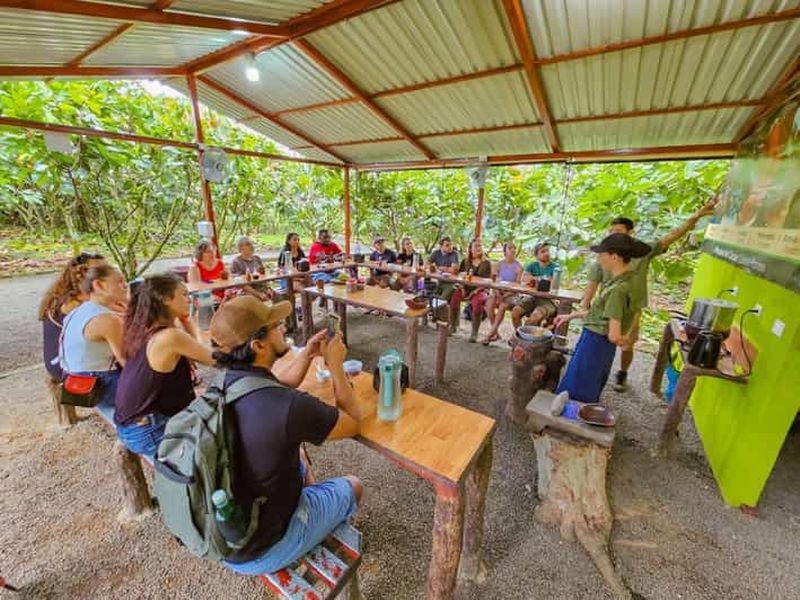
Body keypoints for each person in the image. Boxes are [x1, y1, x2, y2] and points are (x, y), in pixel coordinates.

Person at [208, 296, 362, 575]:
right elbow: (353, 423)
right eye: (276, 325)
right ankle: (315, 535)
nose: (285, 329)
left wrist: (308, 354)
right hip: (265, 550)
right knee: (353, 485)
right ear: (258, 345)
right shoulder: (290, 407)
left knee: (299, 452)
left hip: (229, 534)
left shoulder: (223, 384)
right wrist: (336, 364)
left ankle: (311, 510)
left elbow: (277, 385)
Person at [581, 195, 719, 391]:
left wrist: (696, 217)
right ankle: (594, 378)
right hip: (608, 307)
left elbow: (672, 235)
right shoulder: (605, 254)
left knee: (627, 344)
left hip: (633, 307)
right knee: (602, 345)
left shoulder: (642, 251)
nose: (613, 235)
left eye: (618, 231)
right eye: (611, 232)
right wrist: (585, 305)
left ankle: (622, 372)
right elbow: (592, 283)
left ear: (631, 233)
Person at [114, 273, 216, 458]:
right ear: (165, 299)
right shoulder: (169, 337)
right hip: (149, 430)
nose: (189, 299)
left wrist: (186, 321)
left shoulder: (145, 328)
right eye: (184, 295)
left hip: (133, 424)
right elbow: (216, 359)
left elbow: (195, 349)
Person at [553, 234, 652, 403]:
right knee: (591, 385)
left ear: (615, 257)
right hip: (603, 347)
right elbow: (614, 315)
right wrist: (571, 315)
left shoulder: (618, 290)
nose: (599, 260)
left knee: (576, 391)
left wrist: (625, 340)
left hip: (594, 344)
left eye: (601, 255)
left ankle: (565, 425)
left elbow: (614, 334)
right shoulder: (633, 281)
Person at [59, 265, 129, 411]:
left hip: (74, 380)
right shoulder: (107, 319)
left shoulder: (79, 311)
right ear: (98, 285)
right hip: (101, 384)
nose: (125, 285)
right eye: (120, 281)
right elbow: (126, 360)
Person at [39, 252, 106, 381]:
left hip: (60, 362)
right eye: (101, 272)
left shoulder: (62, 295)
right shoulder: (76, 303)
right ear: (81, 275)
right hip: (65, 365)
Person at [449, 238, 491, 340]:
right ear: (470, 249)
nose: (478, 248)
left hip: (480, 289)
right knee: (454, 298)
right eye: (476, 246)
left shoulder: (486, 263)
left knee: (478, 302)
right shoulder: (465, 261)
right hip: (466, 287)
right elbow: (460, 276)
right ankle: (453, 326)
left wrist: (475, 291)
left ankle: (474, 332)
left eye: (480, 246)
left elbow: (487, 282)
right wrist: (462, 288)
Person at [482, 242, 524, 344]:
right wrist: (497, 293)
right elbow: (494, 281)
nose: (513, 250)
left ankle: (490, 334)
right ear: (505, 251)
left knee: (502, 306)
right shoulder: (498, 264)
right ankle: (495, 332)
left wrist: (505, 295)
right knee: (489, 304)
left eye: (514, 248)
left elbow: (517, 285)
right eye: (510, 248)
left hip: (512, 294)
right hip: (498, 291)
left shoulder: (519, 267)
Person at [513, 242, 559, 331]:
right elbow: (525, 279)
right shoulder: (532, 265)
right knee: (515, 312)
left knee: (534, 318)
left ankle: (526, 340)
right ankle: (520, 336)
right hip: (532, 297)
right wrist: (541, 279)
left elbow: (553, 283)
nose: (547, 253)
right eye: (543, 251)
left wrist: (534, 279)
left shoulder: (555, 268)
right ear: (536, 255)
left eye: (548, 251)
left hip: (549, 301)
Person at [230, 236, 272, 302]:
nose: (251, 246)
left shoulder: (257, 258)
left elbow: (264, 276)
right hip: (248, 291)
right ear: (240, 248)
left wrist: (269, 288)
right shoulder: (236, 262)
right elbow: (241, 284)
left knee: (278, 295)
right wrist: (258, 294)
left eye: (251, 244)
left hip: (261, 287)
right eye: (248, 244)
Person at [427, 237, 461, 307]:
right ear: (441, 246)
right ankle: (432, 314)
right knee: (430, 296)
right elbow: (427, 264)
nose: (450, 247)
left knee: (442, 299)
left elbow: (454, 270)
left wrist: (439, 268)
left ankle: (441, 313)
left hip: (451, 283)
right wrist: (446, 268)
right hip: (440, 281)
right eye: (447, 245)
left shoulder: (455, 254)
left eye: (451, 245)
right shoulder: (436, 253)